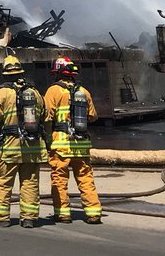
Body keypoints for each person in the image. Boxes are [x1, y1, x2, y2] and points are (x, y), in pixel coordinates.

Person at [0, 54, 46, 228]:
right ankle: (29, 218)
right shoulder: (35, 93)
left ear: (4, 74)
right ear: (21, 73)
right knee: (30, 183)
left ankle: (0, 217)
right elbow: (45, 117)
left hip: (9, 148)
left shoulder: (0, 95)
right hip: (33, 148)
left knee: (2, 182)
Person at [44, 55, 102, 225]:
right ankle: (93, 213)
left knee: (60, 179)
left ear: (57, 73)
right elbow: (93, 116)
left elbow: (47, 116)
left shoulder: (53, 91)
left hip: (61, 144)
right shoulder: (83, 91)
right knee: (85, 177)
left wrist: (47, 139)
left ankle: (63, 214)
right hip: (81, 144)